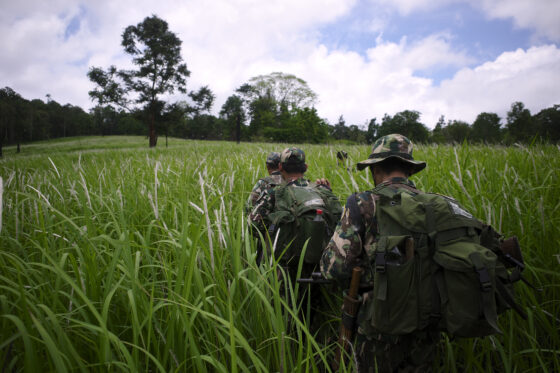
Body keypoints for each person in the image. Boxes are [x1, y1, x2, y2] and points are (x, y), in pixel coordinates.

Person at [321, 134, 439, 372]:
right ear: (409, 170)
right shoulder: (435, 205)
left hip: (376, 325)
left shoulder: (362, 203)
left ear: (375, 170)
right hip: (427, 321)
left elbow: (334, 269)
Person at [250, 147, 341, 325]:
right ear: (305, 167)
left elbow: (253, 226)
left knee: (282, 318)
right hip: (318, 270)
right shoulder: (322, 191)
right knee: (314, 316)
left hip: (284, 271)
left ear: (281, 167)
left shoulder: (274, 192)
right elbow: (339, 224)